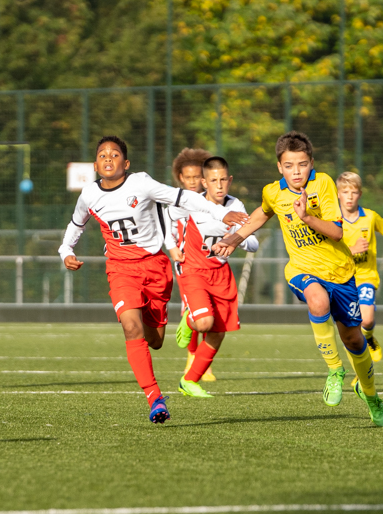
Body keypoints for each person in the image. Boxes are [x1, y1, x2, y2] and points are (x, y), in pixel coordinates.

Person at [60, 136, 247, 423]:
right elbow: (77, 223)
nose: (108, 158)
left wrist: (222, 214)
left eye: (114, 154)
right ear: (96, 165)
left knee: (155, 340)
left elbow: (183, 197)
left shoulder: (142, 183)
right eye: (102, 155)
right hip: (120, 269)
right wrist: (65, 251)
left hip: (155, 269)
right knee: (130, 327)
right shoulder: (89, 194)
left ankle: (172, 324)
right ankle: (154, 397)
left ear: (127, 163)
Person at [214, 131, 383, 427]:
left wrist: (307, 217)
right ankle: (335, 371)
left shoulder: (322, 185)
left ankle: (372, 398)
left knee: (353, 338)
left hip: (341, 274)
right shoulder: (274, 191)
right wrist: (233, 239)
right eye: (289, 165)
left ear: (311, 163)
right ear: (279, 167)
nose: (296, 171)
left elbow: (337, 232)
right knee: (317, 300)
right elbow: (262, 213)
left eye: (302, 164)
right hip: (301, 269)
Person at [168, 156, 258, 397]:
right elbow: (165, 219)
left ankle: (189, 380)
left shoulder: (236, 205)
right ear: (204, 183)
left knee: (218, 331)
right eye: (213, 180)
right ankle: (189, 320)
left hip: (221, 273)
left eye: (223, 180)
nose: (218, 186)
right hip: (194, 270)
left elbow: (253, 242)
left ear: (230, 181)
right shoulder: (191, 202)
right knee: (204, 323)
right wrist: (171, 246)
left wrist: (237, 238)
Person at [337, 171, 383, 363]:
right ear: (338, 194)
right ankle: (360, 364)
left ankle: (370, 338)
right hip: (341, 279)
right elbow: (327, 249)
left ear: (360, 194)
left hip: (366, 276)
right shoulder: (332, 220)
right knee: (350, 329)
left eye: (353, 192)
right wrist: (351, 250)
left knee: (367, 320)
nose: (349, 196)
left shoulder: (370, 217)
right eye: (345, 192)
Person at [167, 148, 216, 382]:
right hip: (186, 264)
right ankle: (194, 361)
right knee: (194, 311)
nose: (193, 181)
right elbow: (166, 228)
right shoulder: (175, 202)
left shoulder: (213, 200)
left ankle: (202, 361)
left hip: (212, 265)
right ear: (181, 178)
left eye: (197, 176)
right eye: (188, 177)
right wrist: (172, 248)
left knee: (212, 314)